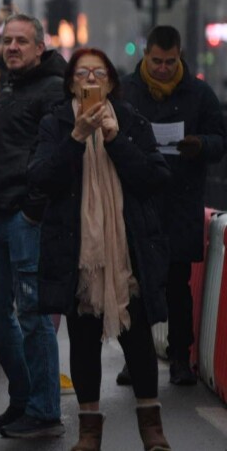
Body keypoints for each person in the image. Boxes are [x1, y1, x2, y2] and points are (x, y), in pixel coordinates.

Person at [30, 47, 173, 451]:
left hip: (129, 252)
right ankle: (89, 432)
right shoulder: (55, 124)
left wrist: (114, 141)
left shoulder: (130, 122)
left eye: (98, 73)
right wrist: (76, 138)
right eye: (82, 74)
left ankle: (153, 431)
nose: (90, 80)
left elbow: (153, 179)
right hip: (77, 252)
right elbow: (40, 178)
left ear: (111, 81)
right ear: (71, 82)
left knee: (139, 340)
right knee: (83, 340)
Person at [0, 12, 66, 439]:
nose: (11, 47)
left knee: (33, 316)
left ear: (39, 48)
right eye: (7, 41)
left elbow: (60, 155)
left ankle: (44, 411)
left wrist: (33, 208)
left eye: (21, 42)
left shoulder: (53, 90)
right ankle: (23, 396)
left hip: (23, 217)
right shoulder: (7, 86)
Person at [119, 25, 225, 387]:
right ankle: (135, 359)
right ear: (145, 56)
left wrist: (200, 144)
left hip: (180, 201)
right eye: (156, 61)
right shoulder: (127, 91)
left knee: (177, 285)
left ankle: (181, 358)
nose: (163, 68)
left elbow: (220, 139)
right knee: (135, 285)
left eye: (170, 61)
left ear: (179, 56)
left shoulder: (199, 93)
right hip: (138, 200)